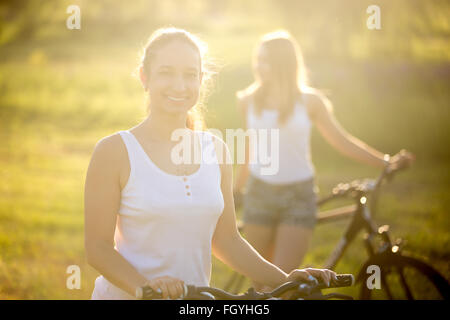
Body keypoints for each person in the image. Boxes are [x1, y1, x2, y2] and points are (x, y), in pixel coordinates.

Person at [84, 27, 337, 300]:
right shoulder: (114, 151)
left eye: (190, 75)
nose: (180, 86)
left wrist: (285, 279)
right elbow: (98, 248)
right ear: (145, 77)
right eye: (166, 72)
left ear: (201, 80)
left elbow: (226, 240)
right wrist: (146, 289)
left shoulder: (216, 149)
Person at [233, 30, 414, 291]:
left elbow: (342, 140)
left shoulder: (310, 101)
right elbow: (249, 149)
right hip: (259, 194)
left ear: (284, 63)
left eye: (265, 61)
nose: (258, 67)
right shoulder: (248, 100)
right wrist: (236, 190)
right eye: (257, 60)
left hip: (298, 196)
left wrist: (385, 162)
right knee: (259, 283)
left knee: (283, 283)